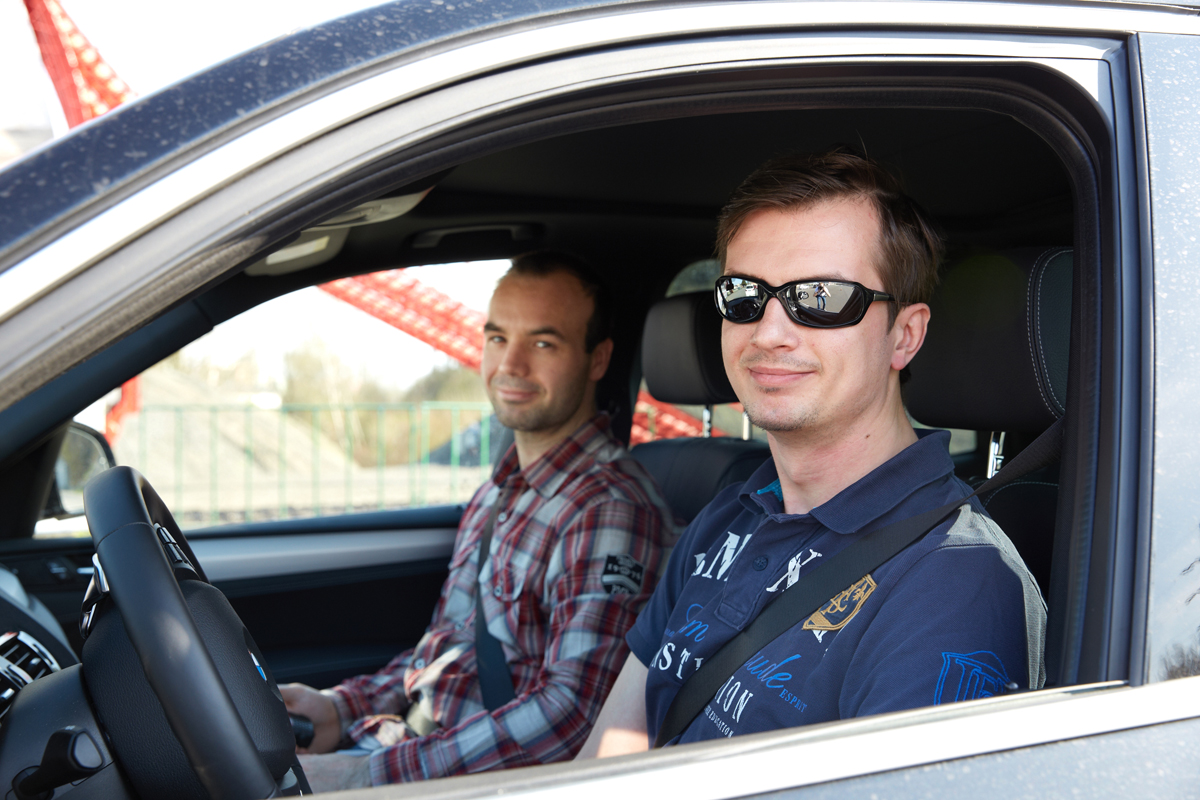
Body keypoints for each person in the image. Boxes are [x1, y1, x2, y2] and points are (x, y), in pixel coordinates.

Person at [576, 150, 1046, 757]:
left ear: (904, 335)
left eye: (821, 297)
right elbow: (612, 751)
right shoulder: (728, 516)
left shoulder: (954, 582)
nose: (768, 332)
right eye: (744, 295)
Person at [285, 251, 675, 790]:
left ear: (599, 359)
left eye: (543, 343)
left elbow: (574, 715)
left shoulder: (609, 508)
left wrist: (366, 776)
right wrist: (339, 708)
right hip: (413, 749)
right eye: (497, 337)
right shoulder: (499, 489)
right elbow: (450, 645)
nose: (510, 365)